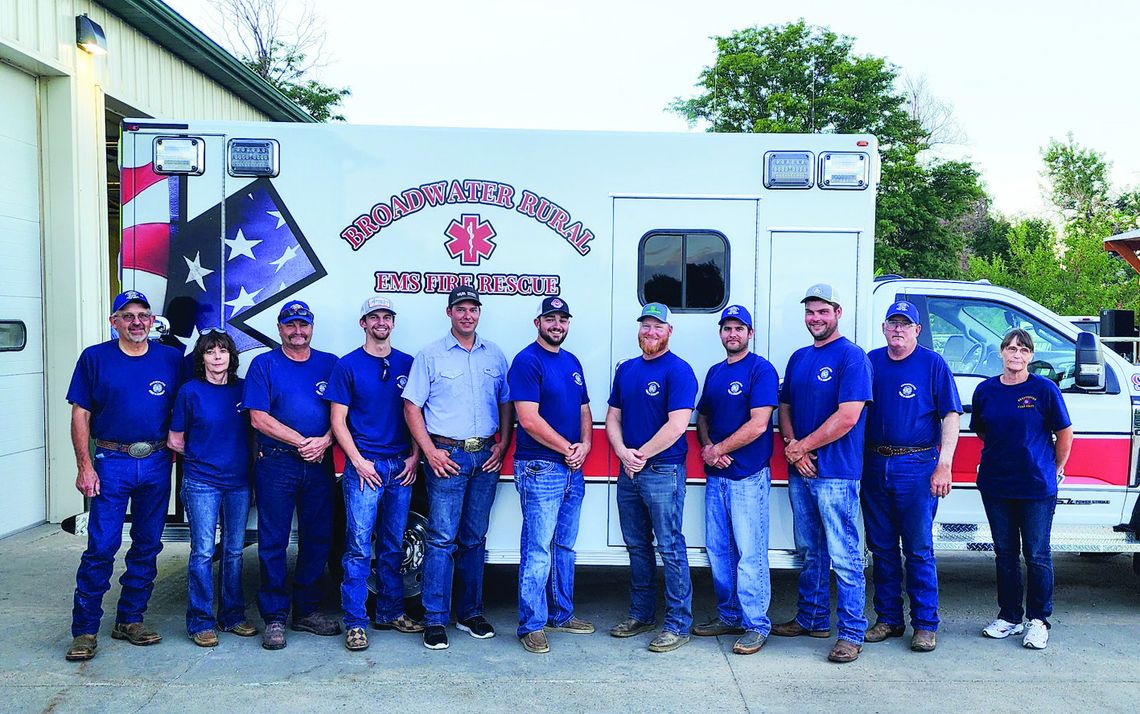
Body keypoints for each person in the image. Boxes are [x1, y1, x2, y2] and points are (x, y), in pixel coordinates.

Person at [64, 290, 185, 661]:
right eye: (127, 315)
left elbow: (188, 406)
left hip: (156, 461)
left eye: (143, 315)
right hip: (111, 461)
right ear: (113, 321)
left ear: (153, 321)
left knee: (148, 546)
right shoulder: (95, 358)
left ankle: (130, 619)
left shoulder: (171, 359)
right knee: (101, 546)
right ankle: (84, 630)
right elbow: (80, 415)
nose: (136, 322)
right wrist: (85, 467)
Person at [403, 287, 512, 651]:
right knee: (440, 539)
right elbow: (411, 408)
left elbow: (506, 402)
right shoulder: (431, 355)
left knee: (474, 539)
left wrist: (502, 443)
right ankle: (434, 619)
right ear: (449, 313)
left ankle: (469, 614)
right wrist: (430, 451)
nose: (467, 315)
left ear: (479, 313)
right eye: (460, 309)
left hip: (485, 457)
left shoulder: (494, 354)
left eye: (473, 309)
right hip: (446, 457)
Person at [774, 284, 873, 664]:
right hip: (802, 470)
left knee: (844, 554)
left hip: (836, 472)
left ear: (838, 312)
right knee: (810, 551)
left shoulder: (852, 357)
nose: (816, 318)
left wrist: (804, 447)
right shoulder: (799, 358)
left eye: (822, 312)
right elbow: (784, 406)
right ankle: (812, 617)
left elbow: (848, 417)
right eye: (810, 312)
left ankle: (851, 632)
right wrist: (792, 444)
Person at [862, 301, 961, 653]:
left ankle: (925, 625)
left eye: (906, 324)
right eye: (893, 323)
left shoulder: (933, 364)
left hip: (917, 466)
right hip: (874, 464)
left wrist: (944, 464)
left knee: (918, 549)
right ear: (884, 327)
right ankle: (888, 619)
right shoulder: (870, 362)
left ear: (918, 330)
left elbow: (950, 416)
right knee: (882, 548)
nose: (898, 330)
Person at [325, 296, 422, 652]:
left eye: (386, 316)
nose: (381, 322)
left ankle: (391, 611)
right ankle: (355, 621)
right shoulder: (348, 366)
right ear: (363, 323)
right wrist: (358, 461)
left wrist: (414, 457)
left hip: (400, 466)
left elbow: (415, 414)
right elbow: (338, 422)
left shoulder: (408, 364)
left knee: (394, 544)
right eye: (373, 317)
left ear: (393, 323)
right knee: (357, 547)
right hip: (364, 468)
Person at [243, 300, 341, 650]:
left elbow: (342, 415)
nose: (297, 331)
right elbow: (258, 418)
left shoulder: (330, 364)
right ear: (279, 328)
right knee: (274, 540)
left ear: (311, 327)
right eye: (290, 325)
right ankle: (274, 617)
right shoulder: (263, 365)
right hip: (277, 463)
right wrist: (304, 442)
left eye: (303, 324)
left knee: (318, 538)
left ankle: (307, 610)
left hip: (319, 464)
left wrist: (326, 441)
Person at [605, 302, 698, 653]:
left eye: (658, 327)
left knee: (670, 547)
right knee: (638, 547)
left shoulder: (679, 370)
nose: (651, 332)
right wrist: (623, 453)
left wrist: (640, 454)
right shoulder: (627, 370)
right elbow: (613, 417)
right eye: (645, 325)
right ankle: (641, 614)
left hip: (663, 470)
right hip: (629, 470)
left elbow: (677, 425)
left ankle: (677, 623)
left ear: (669, 331)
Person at [972, 328, 1072, 650]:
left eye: (1023, 349)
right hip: (996, 485)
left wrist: (1053, 467)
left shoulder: (1044, 390)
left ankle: (1039, 620)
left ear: (1030, 355)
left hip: (1036, 487)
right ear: (1000, 352)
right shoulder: (985, 391)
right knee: (1005, 554)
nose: (1016, 354)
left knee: (1037, 554)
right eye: (1011, 348)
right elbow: (984, 432)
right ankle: (1010, 617)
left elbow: (1064, 433)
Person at [508, 297, 594, 654]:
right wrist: (567, 447)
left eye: (562, 319)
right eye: (550, 319)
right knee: (538, 548)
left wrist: (585, 445)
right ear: (537, 322)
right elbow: (528, 419)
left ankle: (561, 613)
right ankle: (531, 624)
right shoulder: (527, 361)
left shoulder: (572, 362)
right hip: (540, 467)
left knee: (564, 547)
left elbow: (585, 409)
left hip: (572, 467)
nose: (557, 325)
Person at [692, 305, 779, 656]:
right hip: (718, 477)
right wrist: (710, 447)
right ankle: (729, 615)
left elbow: (759, 423)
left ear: (750, 333)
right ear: (721, 334)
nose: (732, 334)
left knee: (750, 553)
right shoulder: (714, 372)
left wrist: (720, 449)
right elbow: (703, 417)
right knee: (720, 551)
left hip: (748, 476)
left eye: (739, 328)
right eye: (727, 328)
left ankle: (756, 623)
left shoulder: (761, 370)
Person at [167, 329, 257, 647]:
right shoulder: (189, 392)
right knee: (203, 552)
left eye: (223, 351)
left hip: (239, 483)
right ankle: (200, 621)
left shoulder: (244, 391)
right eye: (210, 351)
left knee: (234, 552)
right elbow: (175, 440)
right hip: (201, 483)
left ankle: (232, 616)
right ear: (201, 357)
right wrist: (204, 458)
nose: (217, 356)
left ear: (232, 357)